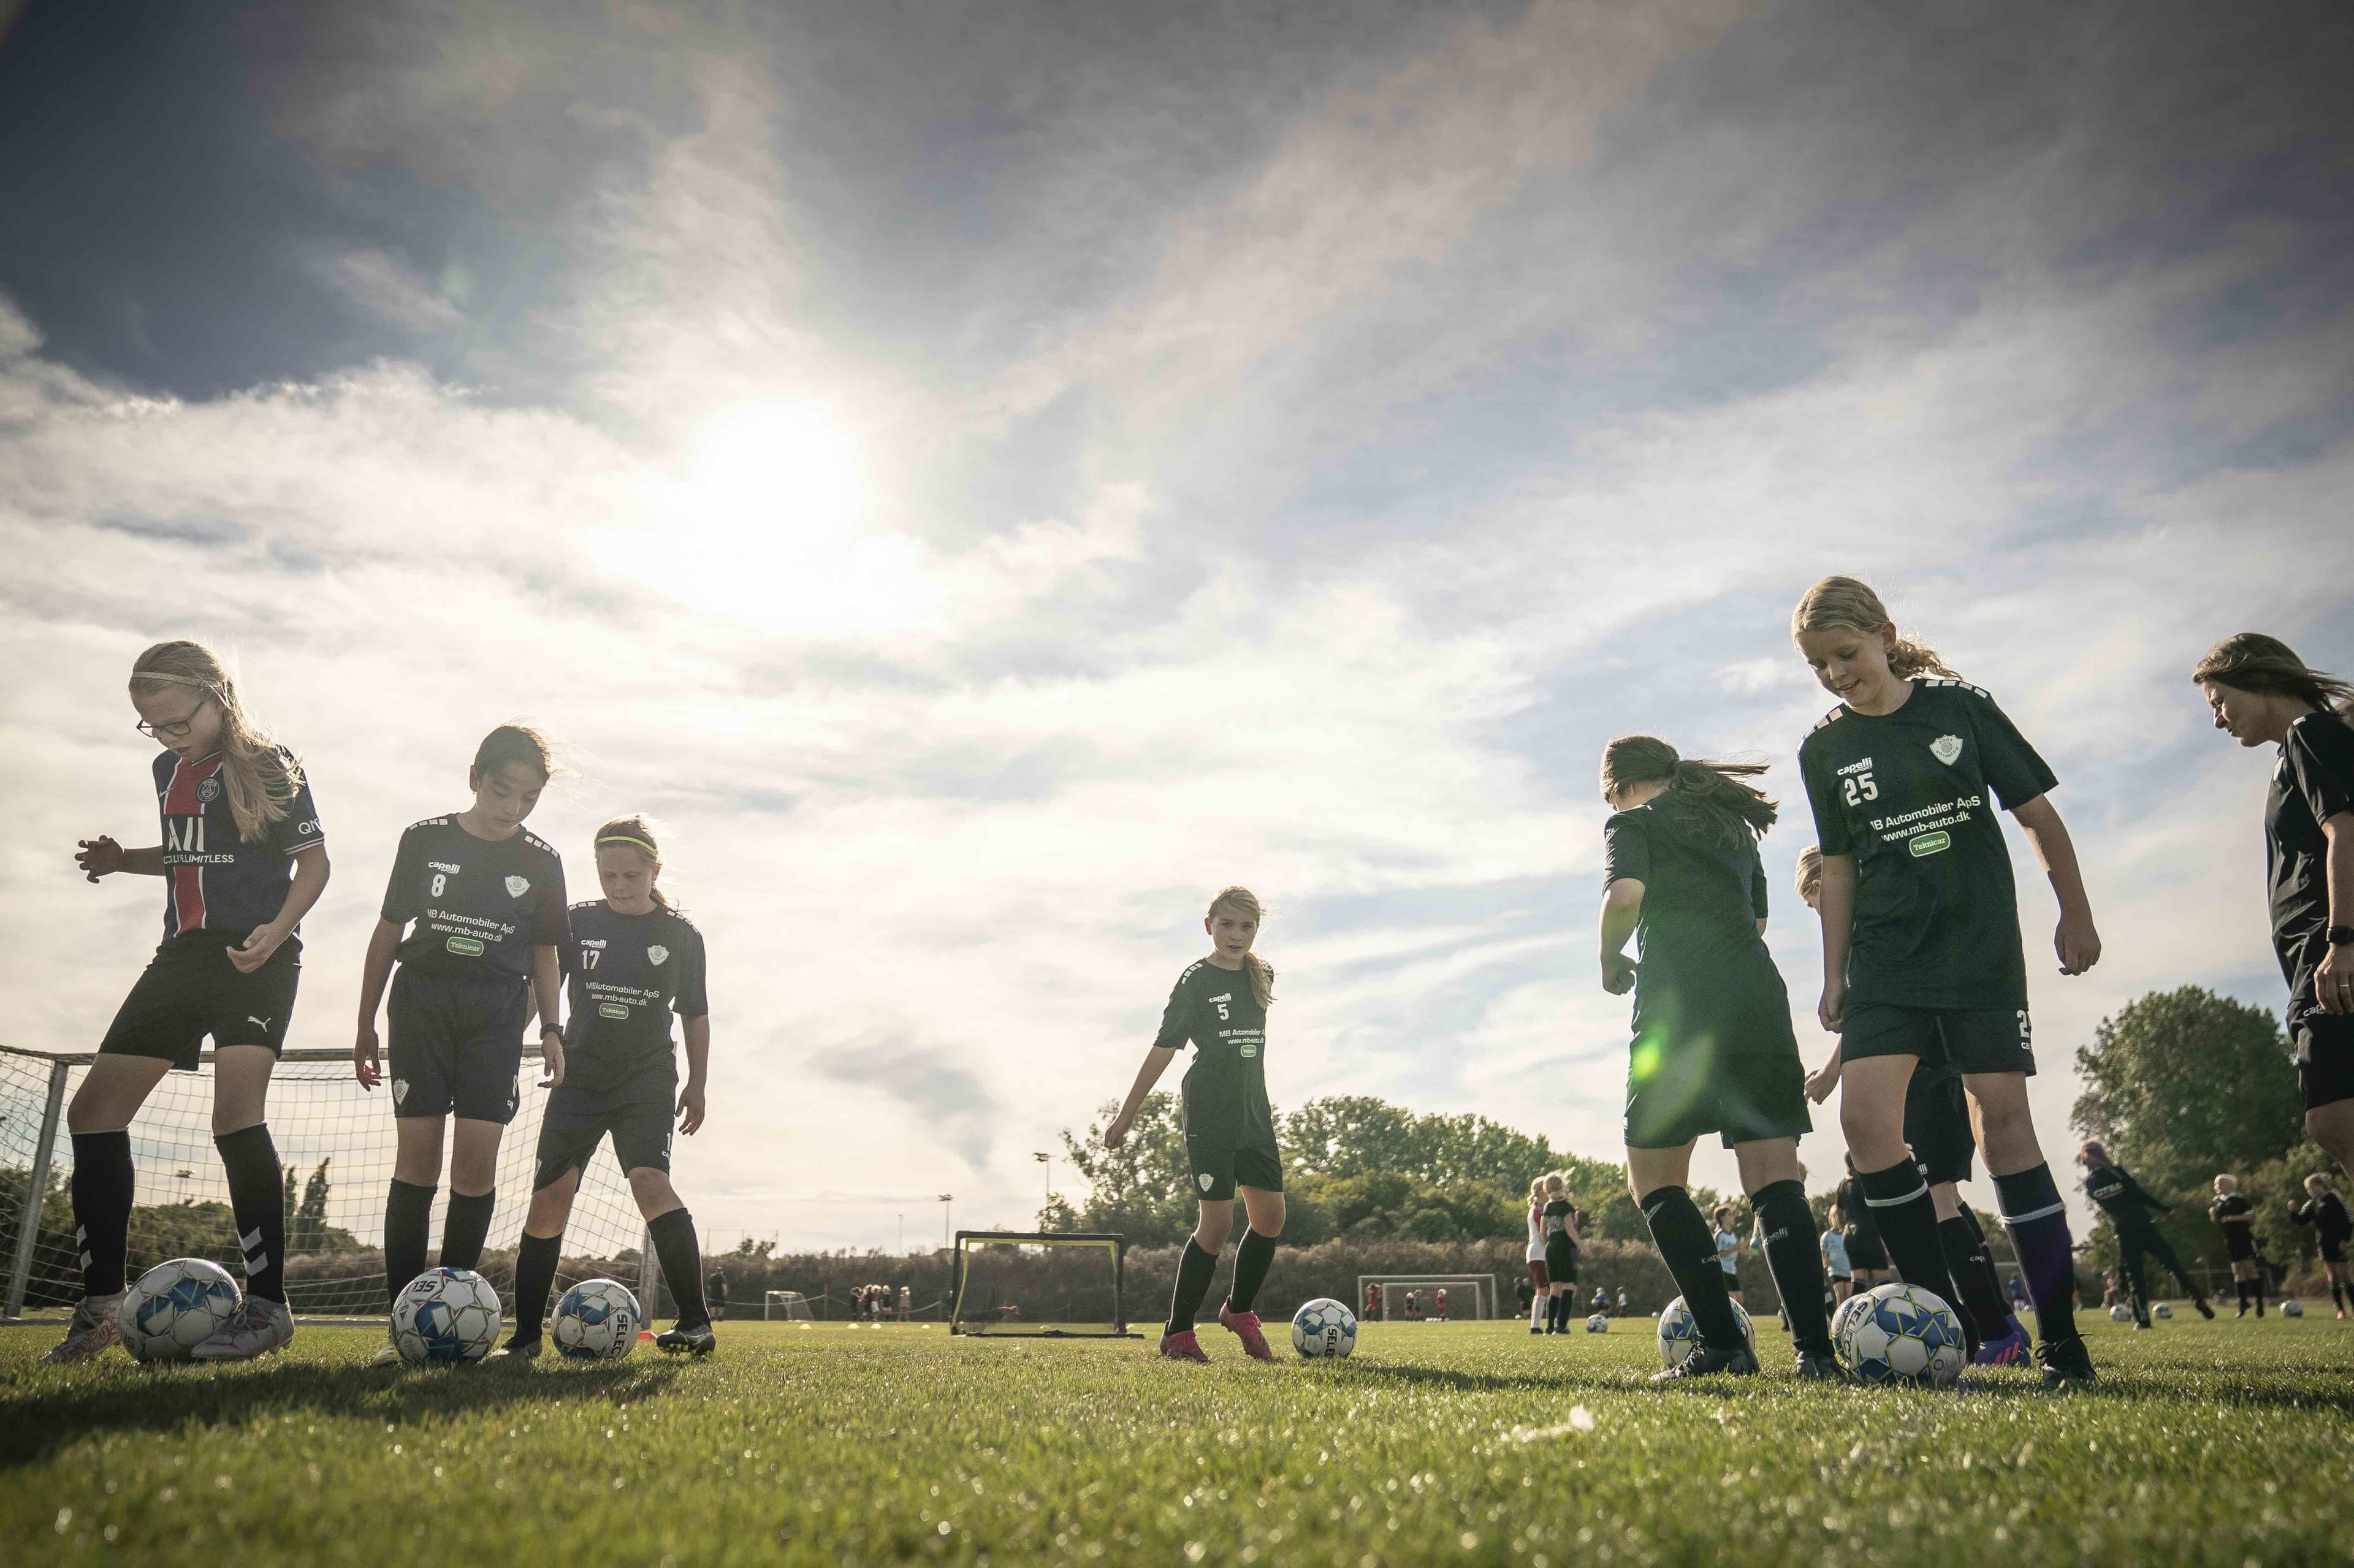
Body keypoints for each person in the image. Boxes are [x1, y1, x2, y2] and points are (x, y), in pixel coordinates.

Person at [1792, 576, 2100, 1387]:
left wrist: (2075, 911)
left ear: (1886, 636)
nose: (1836, 674)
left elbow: (2036, 813)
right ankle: (1936, 1320)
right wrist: (1834, 975)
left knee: (2004, 1129)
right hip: (1889, 961)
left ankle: (2063, 1341)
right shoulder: (1822, 749)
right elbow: (1843, 867)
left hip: (1978, 950)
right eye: (1819, 664)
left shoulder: (1961, 709)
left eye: (1847, 655)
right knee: (1866, 1130)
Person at [44, 642, 331, 1364]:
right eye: (154, 727)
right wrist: (122, 860)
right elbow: (190, 853)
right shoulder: (166, 769)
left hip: (257, 957)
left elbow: (315, 862)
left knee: (235, 1116)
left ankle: (268, 1306)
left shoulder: (271, 763)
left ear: (218, 696)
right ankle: (103, 1306)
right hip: (182, 958)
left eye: (178, 721)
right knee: (93, 1112)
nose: (169, 737)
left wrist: (278, 929)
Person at [1596, 735, 1839, 1380]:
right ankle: (1817, 1353)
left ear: (1618, 787)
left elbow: (1624, 897)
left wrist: (1610, 958)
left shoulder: (1631, 823)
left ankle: (1725, 1347)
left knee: (1653, 1177)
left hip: (1677, 1011)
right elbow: (1756, 923)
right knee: (1774, 1177)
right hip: (1756, 998)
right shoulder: (1737, 833)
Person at [356, 725, 569, 1365]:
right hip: (421, 1004)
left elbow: (546, 952)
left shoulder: (542, 859)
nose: (513, 808)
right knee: (417, 1161)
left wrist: (552, 1028)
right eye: (503, 791)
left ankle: (449, 1313)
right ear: (475, 775)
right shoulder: (424, 839)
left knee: (474, 1166)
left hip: (496, 1018)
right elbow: (389, 930)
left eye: (529, 799)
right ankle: (404, 1321)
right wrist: (365, 1021)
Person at [1798, 846, 2030, 1363]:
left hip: (1922, 1075)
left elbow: (1870, 1013)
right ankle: (2002, 1324)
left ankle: (1991, 1329)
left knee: (1940, 1202)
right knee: (1949, 1199)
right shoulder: (1887, 921)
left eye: (1815, 899)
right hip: (1933, 1069)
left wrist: (1832, 1074)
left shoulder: (1869, 931)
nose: (1818, 912)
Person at [496, 816, 717, 1359]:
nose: (619, 885)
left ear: (653, 871)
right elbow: (542, 986)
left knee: (648, 1182)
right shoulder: (577, 923)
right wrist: (505, 1047)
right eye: (608, 874)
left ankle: (696, 1322)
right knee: (549, 1200)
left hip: (646, 1077)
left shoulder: (681, 936)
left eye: (630, 875)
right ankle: (525, 1338)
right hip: (580, 1077)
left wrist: (698, 1083)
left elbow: (695, 1014)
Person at [2193, 636, 2354, 1183]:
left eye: (2219, 701)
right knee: (2334, 1122)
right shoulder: (2297, 749)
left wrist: (2342, 941)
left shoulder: (2310, 735)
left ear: (2258, 682)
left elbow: (2346, 833)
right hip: (2316, 962)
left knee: (2334, 1119)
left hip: (2331, 957)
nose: (2218, 720)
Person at [1103, 886, 1284, 1363]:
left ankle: (1238, 1311)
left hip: (1254, 1115)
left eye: (1247, 926)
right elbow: (1163, 1049)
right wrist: (1126, 1114)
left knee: (1271, 1219)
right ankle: (1177, 1334)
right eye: (1227, 924)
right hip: (1210, 1114)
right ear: (1209, 925)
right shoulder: (1194, 981)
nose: (1236, 934)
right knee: (1218, 1222)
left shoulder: (1260, 975)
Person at [2078, 1138, 2213, 1326]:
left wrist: (2163, 1208)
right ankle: (2153, 1315)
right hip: (2138, 1227)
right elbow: (2137, 1195)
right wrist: (2164, 1208)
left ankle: (2154, 1316)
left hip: (2131, 1230)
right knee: (2159, 1268)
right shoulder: (2111, 1174)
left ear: (2090, 1156)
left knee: (2148, 1271)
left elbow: (2131, 1197)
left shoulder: (2094, 1181)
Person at [2292, 1173, 2353, 1318]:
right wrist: (2293, 1211)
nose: (2309, 1191)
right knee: (2333, 1276)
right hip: (2323, 1243)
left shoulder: (2334, 1199)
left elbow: (2348, 1220)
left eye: (2311, 1188)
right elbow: (2302, 1221)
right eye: (2307, 1189)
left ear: (2321, 1185)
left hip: (2338, 1242)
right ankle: (2341, 1310)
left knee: (2344, 1275)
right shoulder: (2312, 1203)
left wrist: (2345, 1240)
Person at [1834, 1153, 1891, 1292]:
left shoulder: (1842, 1184)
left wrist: (1842, 1228)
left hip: (1849, 1235)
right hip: (1868, 1232)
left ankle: (1852, 1313)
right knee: (1883, 1280)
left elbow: (1838, 1211)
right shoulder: (1865, 1181)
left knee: (1858, 1280)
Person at [2211, 1174, 2263, 1317]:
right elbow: (2219, 1221)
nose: (2218, 1186)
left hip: (2244, 1239)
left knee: (2250, 1269)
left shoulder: (2239, 1199)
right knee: (2237, 1271)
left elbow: (2250, 1216)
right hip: (2229, 1241)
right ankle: (2243, 1304)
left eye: (2221, 1183)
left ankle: (2259, 1303)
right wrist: (2213, 1215)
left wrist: (2233, 1218)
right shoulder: (2217, 1202)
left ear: (2230, 1185)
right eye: (2217, 1184)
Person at [1539, 1174, 1579, 1333]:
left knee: (1554, 1289)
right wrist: (1582, 1246)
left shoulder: (1547, 1207)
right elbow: (1570, 1230)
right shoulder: (1566, 1206)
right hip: (1565, 1248)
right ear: (1562, 1186)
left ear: (1547, 1189)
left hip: (1551, 1248)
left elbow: (1543, 1232)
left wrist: (1547, 1247)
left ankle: (1549, 1327)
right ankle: (1561, 1326)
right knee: (1568, 1287)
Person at [1523, 1176, 1551, 1333]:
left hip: (1539, 1252)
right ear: (1541, 1191)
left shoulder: (1539, 1207)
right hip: (1538, 1252)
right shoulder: (1538, 1209)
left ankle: (1541, 1325)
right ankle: (1535, 1327)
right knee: (1543, 1290)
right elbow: (1543, 1233)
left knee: (1546, 1289)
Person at [1713, 1205, 1746, 1308]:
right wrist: (1733, 1249)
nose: (1733, 1217)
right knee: (1729, 1298)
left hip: (1732, 1270)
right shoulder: (1719, 1235)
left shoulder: (1732, 1234)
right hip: (1723, 1270)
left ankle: (1736, 1320)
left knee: (1740, 1299)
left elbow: (1735, 1250)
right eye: (1730, 1215)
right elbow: (1716, 1255)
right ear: (1722, 1218)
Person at [1822, 1205, 1854, 1304]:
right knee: (1840, 1295)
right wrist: (1826, 1261)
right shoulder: (1827, 1236)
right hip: (1835, 1271)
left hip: (1849, 1270)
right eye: (1835, 1217)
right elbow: (1823, 1253)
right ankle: (1840, 1318)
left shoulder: (1848, 1232)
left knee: (1849, 1296)